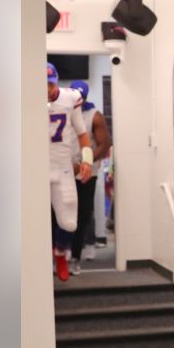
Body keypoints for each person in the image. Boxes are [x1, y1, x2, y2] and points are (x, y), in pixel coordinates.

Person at [47, 63, 92, 282]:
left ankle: (60, 253)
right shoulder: (24, 98)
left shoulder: (69, 98)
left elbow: (83, 135)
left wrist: (87, 161)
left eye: (50, 84)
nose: (46, 89)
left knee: (70, 223)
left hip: (62, 166)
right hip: (33, 170)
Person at [68, 79, 112, 273]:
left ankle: (75, 257)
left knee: (82, 215)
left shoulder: (94, 116)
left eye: (80, 97)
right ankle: (60, 255)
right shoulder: (59, 110)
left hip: (86, 174)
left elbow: (104, 145)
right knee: (58, 216)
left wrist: (84, 164)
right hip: (62, 172)